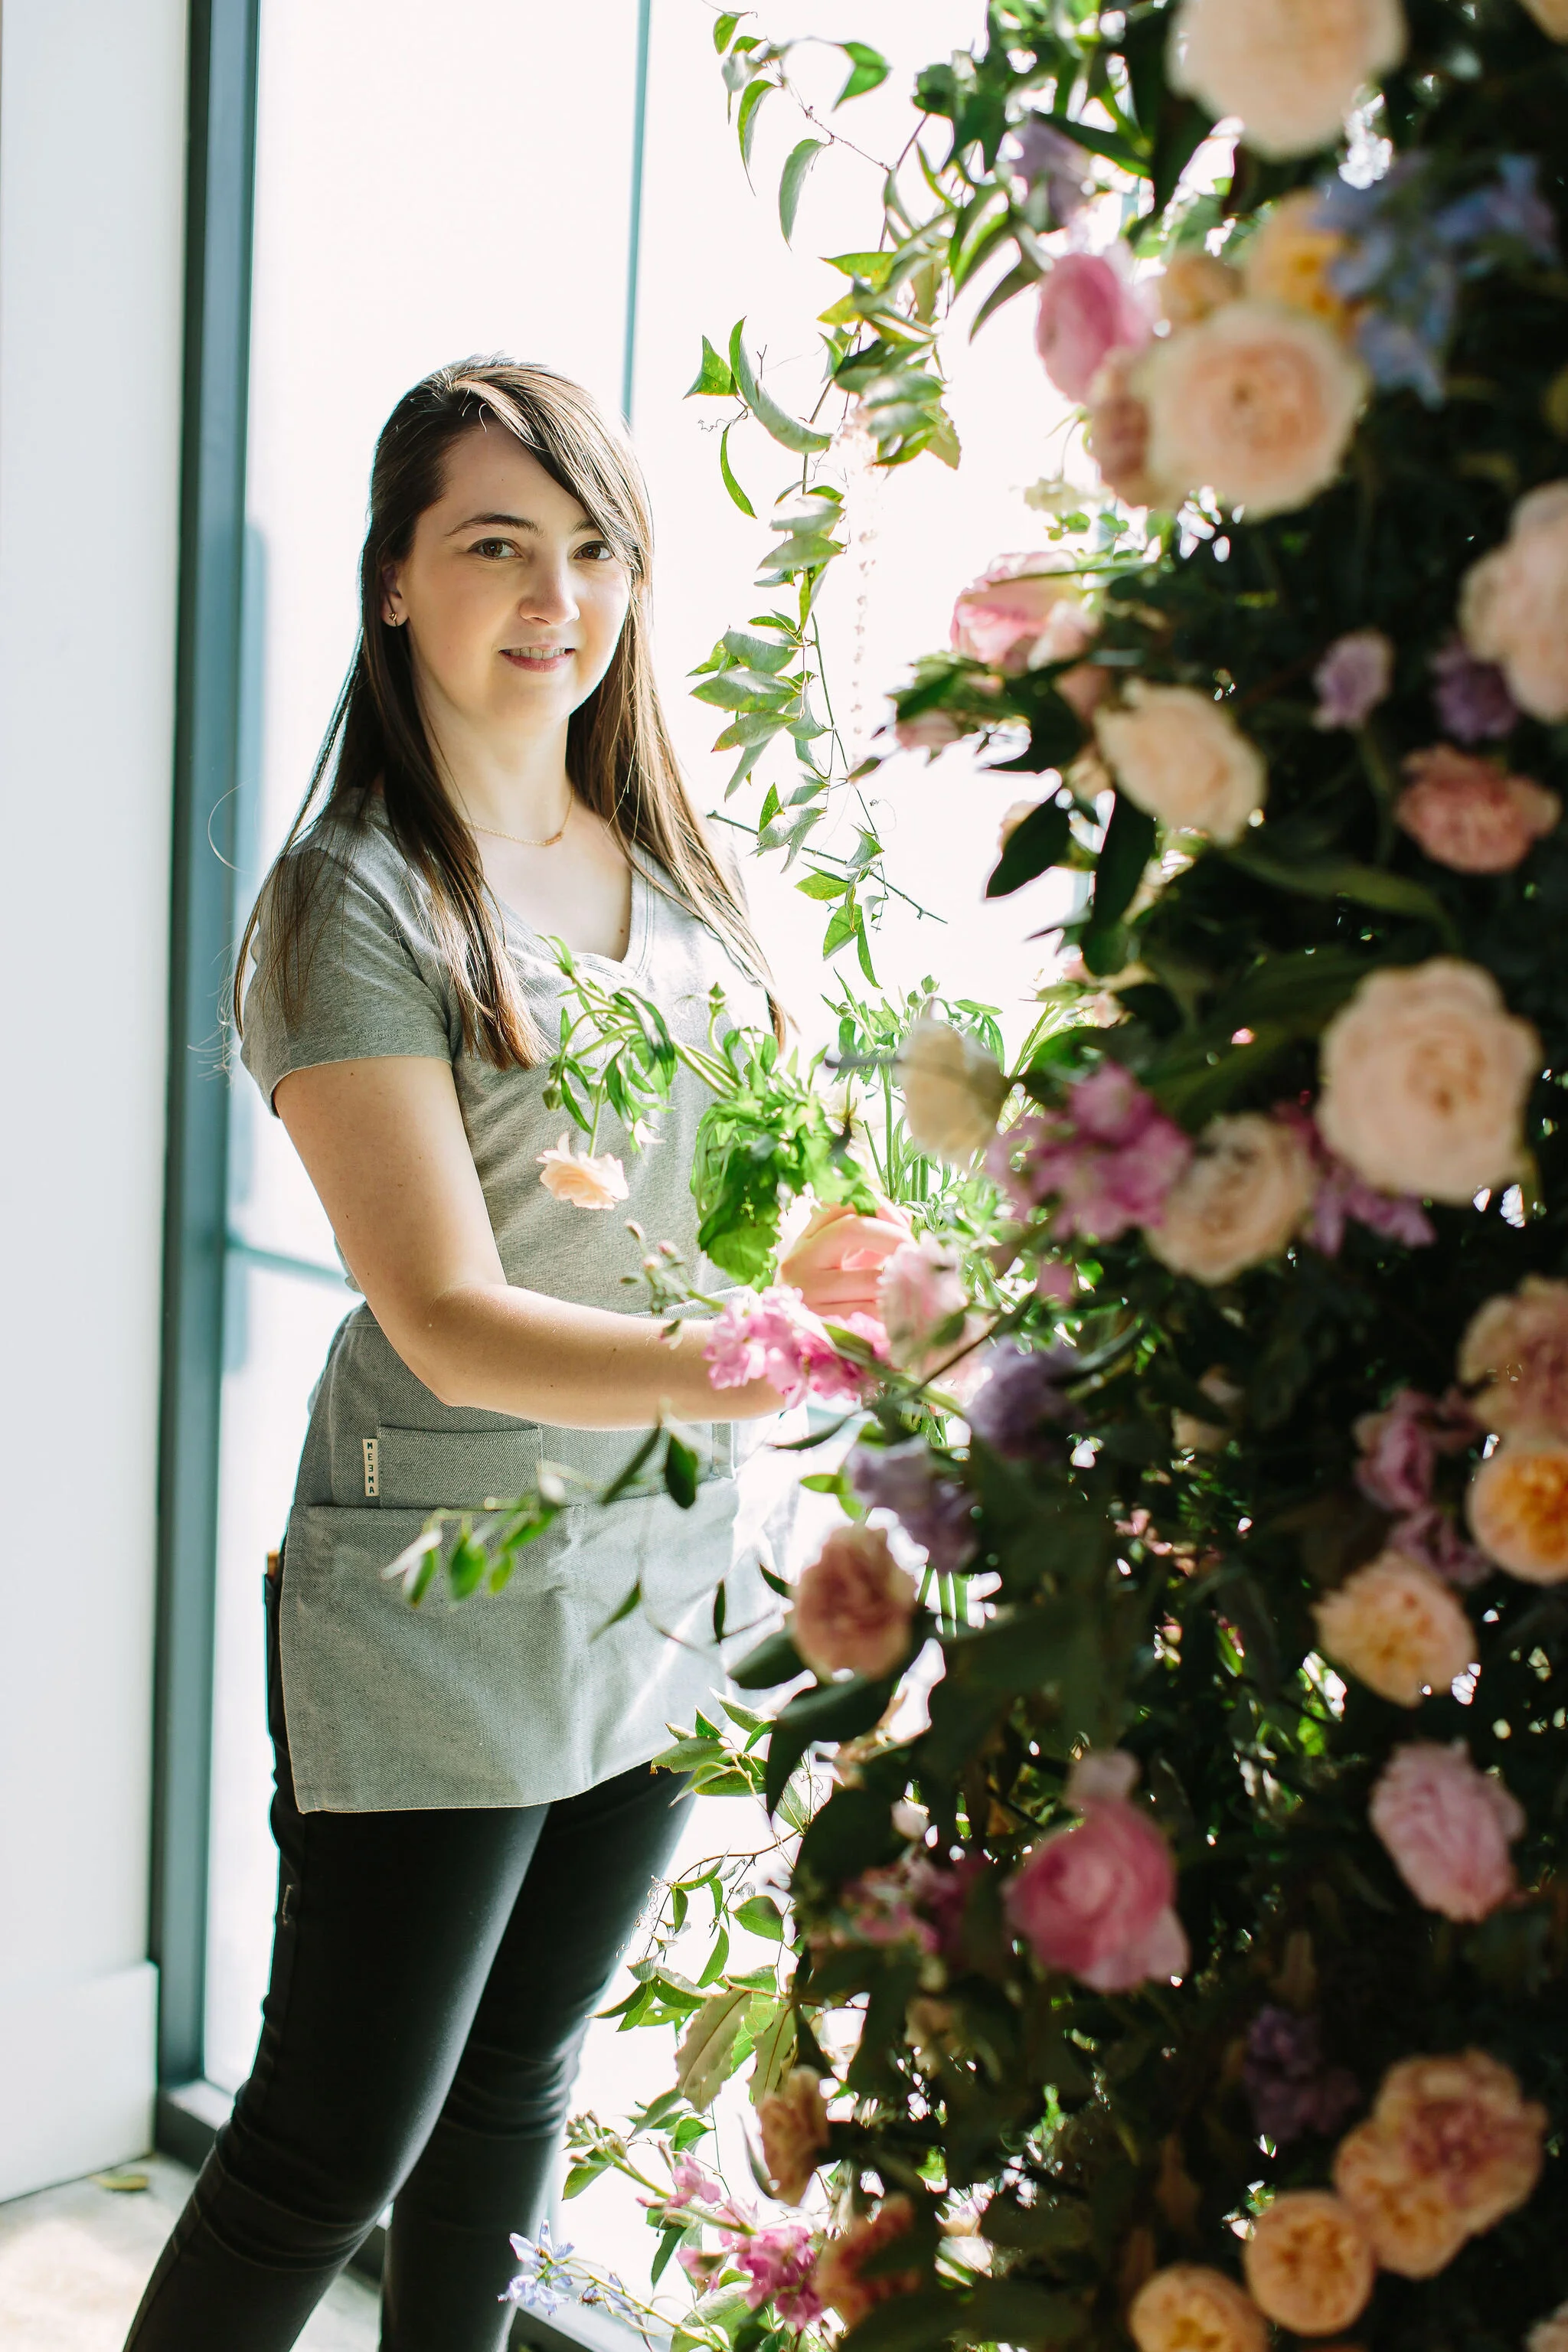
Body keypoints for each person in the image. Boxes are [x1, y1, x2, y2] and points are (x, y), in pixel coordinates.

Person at [125, 358, 905, 2352]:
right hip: (431, 1599)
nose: (553, 594)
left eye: (592, 550)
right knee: (326, 2151)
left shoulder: (677, 876)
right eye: (496, 546)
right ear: (397, 580)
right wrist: (749, 1365)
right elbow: (448, 1319)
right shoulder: (349, 900)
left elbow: (757, 1208)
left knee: (514, 2120)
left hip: (660, 1580)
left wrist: (882, 1268)